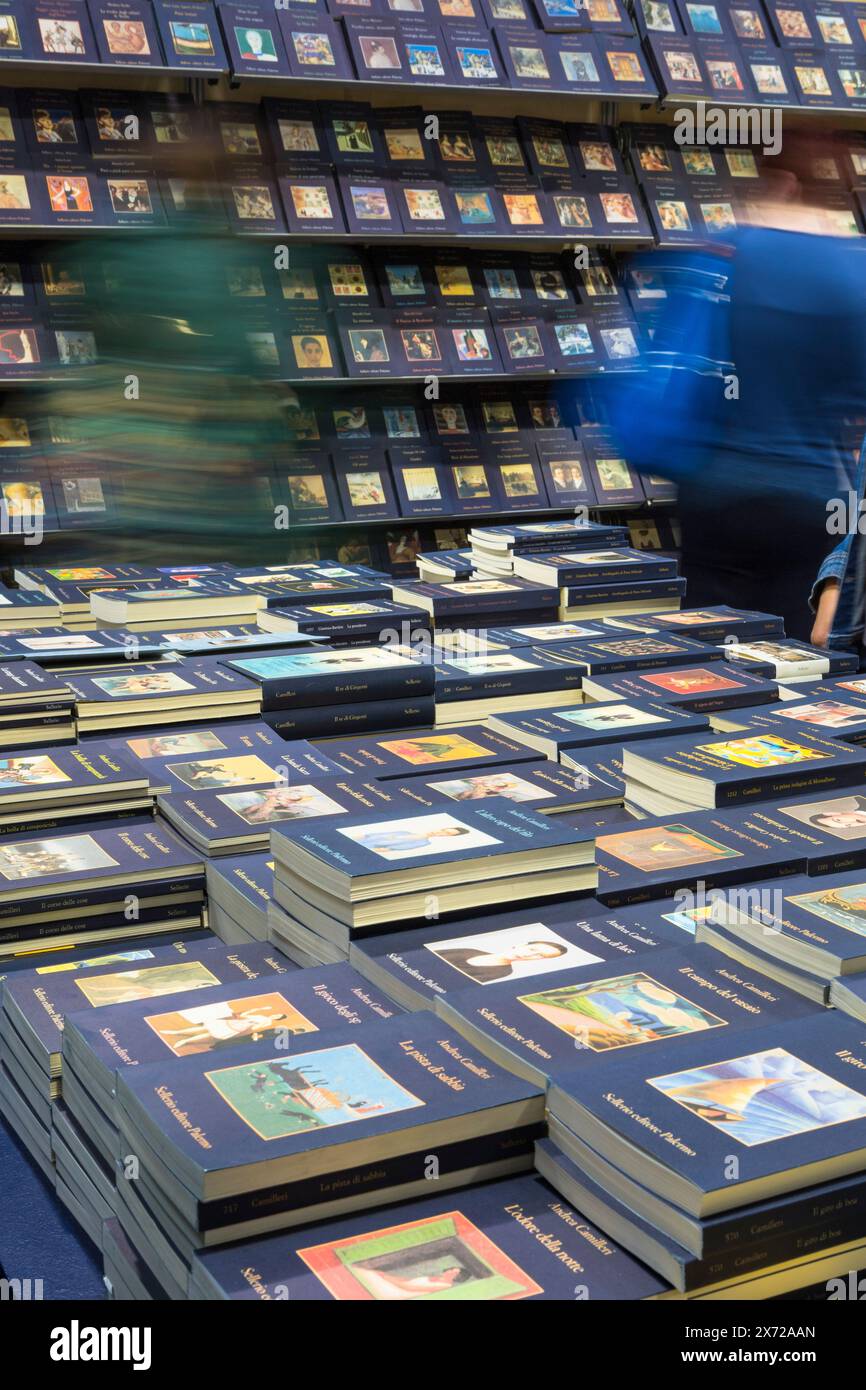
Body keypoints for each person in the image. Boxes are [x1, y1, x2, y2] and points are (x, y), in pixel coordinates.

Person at [603, 137, 866, 641]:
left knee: (706, 642)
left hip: (715, 488)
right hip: (807, 496)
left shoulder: (724, 249)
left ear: (778, 180)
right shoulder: (847, 268)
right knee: (790, 649)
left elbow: (671, 357)